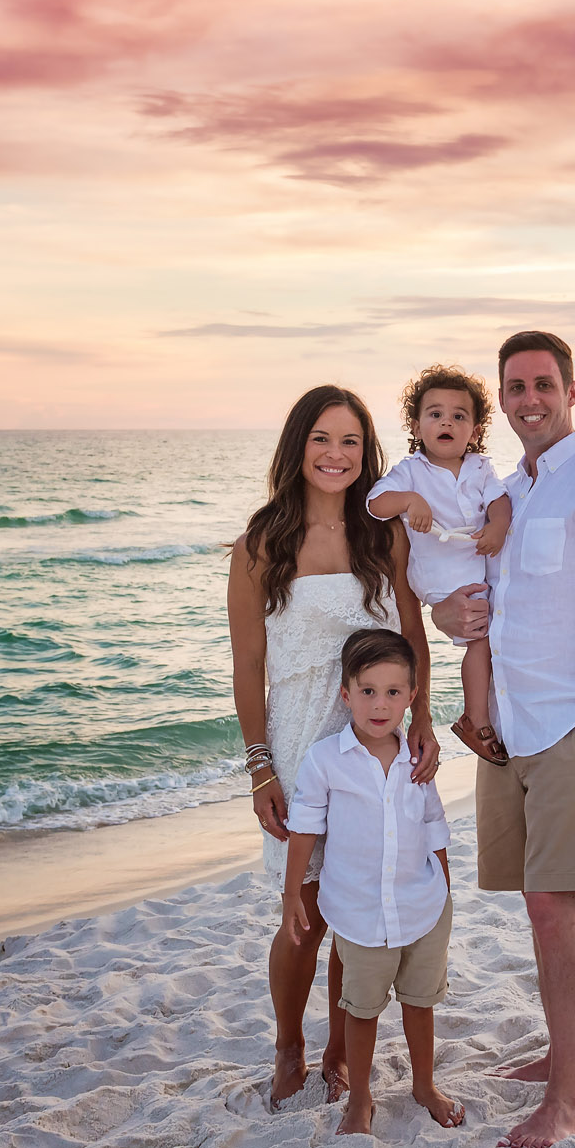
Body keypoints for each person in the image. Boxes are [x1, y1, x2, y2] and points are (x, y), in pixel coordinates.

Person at [430, 329, 575, 1148]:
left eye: (543, 384)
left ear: (572, 390)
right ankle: (572, 1055)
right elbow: (471, 597)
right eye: (516, 387)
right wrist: (443, 617)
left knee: (551, 908)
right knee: (538, 909)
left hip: (567, 728)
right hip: (507, 731)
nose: (529, 399)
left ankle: (566, 1098)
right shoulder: (512, 494)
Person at [228, 385, 439, 1109]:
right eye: (322, 438)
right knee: (305, 915)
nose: (336, 454)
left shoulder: (385, 534)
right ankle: (288, 1044)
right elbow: (248, 665)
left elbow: (412, 637)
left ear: (366, 452)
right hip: (297, 741)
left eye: (350, 441)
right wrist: (260, 767)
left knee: (358, 909)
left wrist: (424, 719)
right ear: (298, 446)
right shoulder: (261, 544)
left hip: (374, 738)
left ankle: (338, 1050)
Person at [280, 628, 466, 1136]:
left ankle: (424, 1085)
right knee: (360, 1011)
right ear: (346, 695)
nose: (379, 705)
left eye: (392, 693)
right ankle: (359, 1098)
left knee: (420, 1001)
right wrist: (292, 892)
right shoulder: (325, 761)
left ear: (411, 697)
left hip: (422, 903)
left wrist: (444, 887)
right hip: (359, 912)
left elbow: (434, 823)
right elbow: (304, 828)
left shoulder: (416, 758)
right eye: (367, 691)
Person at [365, 365, 514, 765]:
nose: (446, 421)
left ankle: (483, 714)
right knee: (482, 640)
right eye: (435, 414)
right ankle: (475, 718)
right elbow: (375, 503)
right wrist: (410, 501)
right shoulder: (411, 471)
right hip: (434, 572)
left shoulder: (480, 468)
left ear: (475, 429)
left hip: (471, 568)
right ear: (416, 424)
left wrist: (498, 526)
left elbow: (500, 501)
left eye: (458, 415)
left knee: (489, 639)